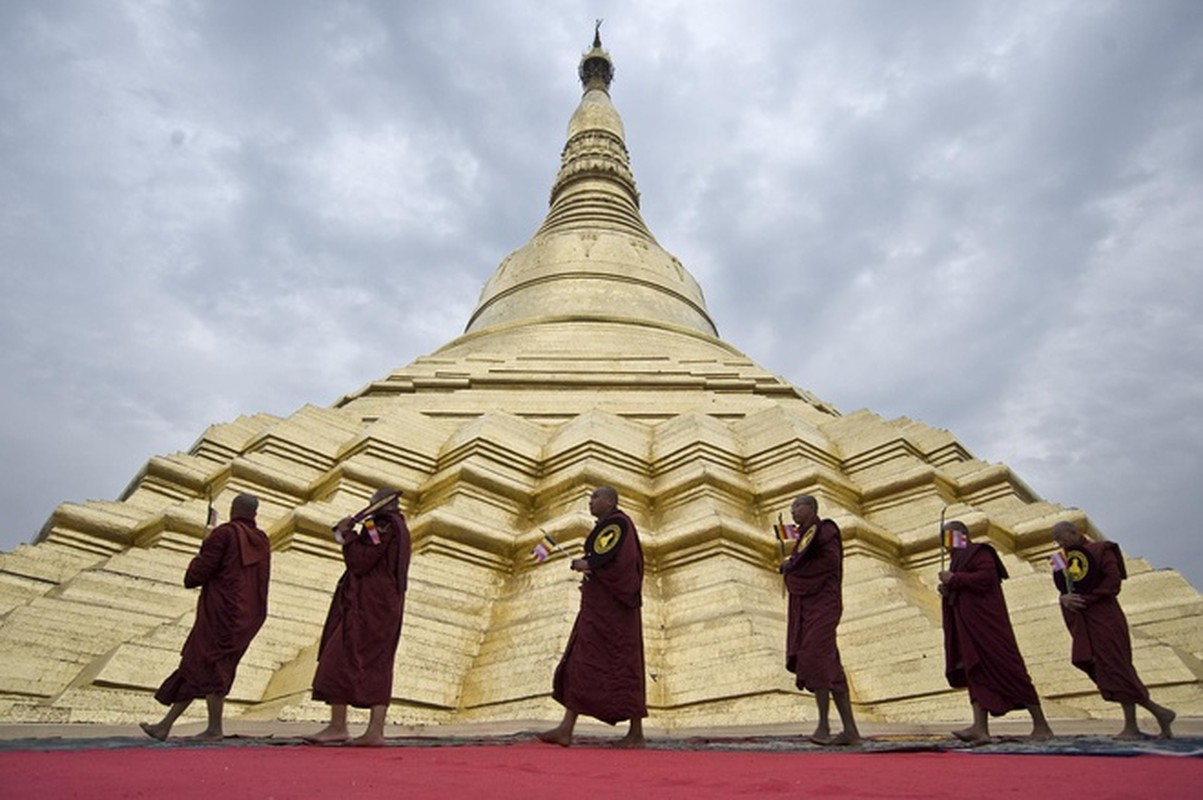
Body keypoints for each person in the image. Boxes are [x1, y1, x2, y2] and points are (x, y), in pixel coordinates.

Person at [141, 493, 271, 741]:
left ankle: (213, 729)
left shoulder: (223, 534)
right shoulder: (262, 541)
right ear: (255, 514)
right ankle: (165, 725)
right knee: (199, 667)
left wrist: (205, 545)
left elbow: (196, 576)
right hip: (247, 616)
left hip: (220, 614)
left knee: (209, 666)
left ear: (233, 509)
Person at [538, 486, 646, 747]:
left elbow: (617, 564)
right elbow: (603, 558)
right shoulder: (610, 526)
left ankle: (636, 733)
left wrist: (589, 564)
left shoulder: (618, 524)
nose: (591, 502)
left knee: (624, 663)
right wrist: (590, 564)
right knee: (582, 659)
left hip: (614, 610)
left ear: (610, 501)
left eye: (595, 498)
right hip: (599, 608)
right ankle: (566, 727)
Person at [305, 488, 412, 746]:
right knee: (378, 662)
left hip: (368, 605)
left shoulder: (380, 525)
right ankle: (370, 730)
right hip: (383, 604)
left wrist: (350, 534)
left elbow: (362, 561)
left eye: (372, 502)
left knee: (337, 658)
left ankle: (341, 726)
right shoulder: (397, 527)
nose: (369, 505)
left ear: (381, 504)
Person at [1051, 520, 1176, 739]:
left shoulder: (1101, 550)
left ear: (1075, 531)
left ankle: (1137, 723)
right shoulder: (1064, 560)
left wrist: (1088, 599)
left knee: (1117, 666)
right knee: (1104, 668)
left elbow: (1113, 583)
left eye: (1062, 537)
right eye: (1057, 540)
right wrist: (1065, 599)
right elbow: (1065, 586)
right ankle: (1157, 714)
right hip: (1085, 620)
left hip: (1105, 616)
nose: (1060, 543)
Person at [938, 519, 1053, 744]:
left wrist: (956, 579)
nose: (945, 543)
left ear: (962, 534)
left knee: (1009, 668)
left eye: (948, 536)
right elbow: (961, 588)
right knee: (974, 670)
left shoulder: (979, 552)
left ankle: (1041, 724)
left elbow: (987, 578)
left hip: (988, 623)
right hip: (967, 624)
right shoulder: (956, 560)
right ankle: (979, 727)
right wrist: (948, 587)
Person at [780, 494, 863, 746]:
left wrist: (793, 568)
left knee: (814, 656)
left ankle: (825, 725)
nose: (793, 511)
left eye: (798, 506)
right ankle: (848, 730)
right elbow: (803, 559)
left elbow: (829, 563)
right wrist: (791, 563)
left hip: (824, 603)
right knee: (828, 664)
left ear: (812, 508)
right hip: (808, 605)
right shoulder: (804, 538)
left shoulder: (825, 530)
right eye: (792, 506)